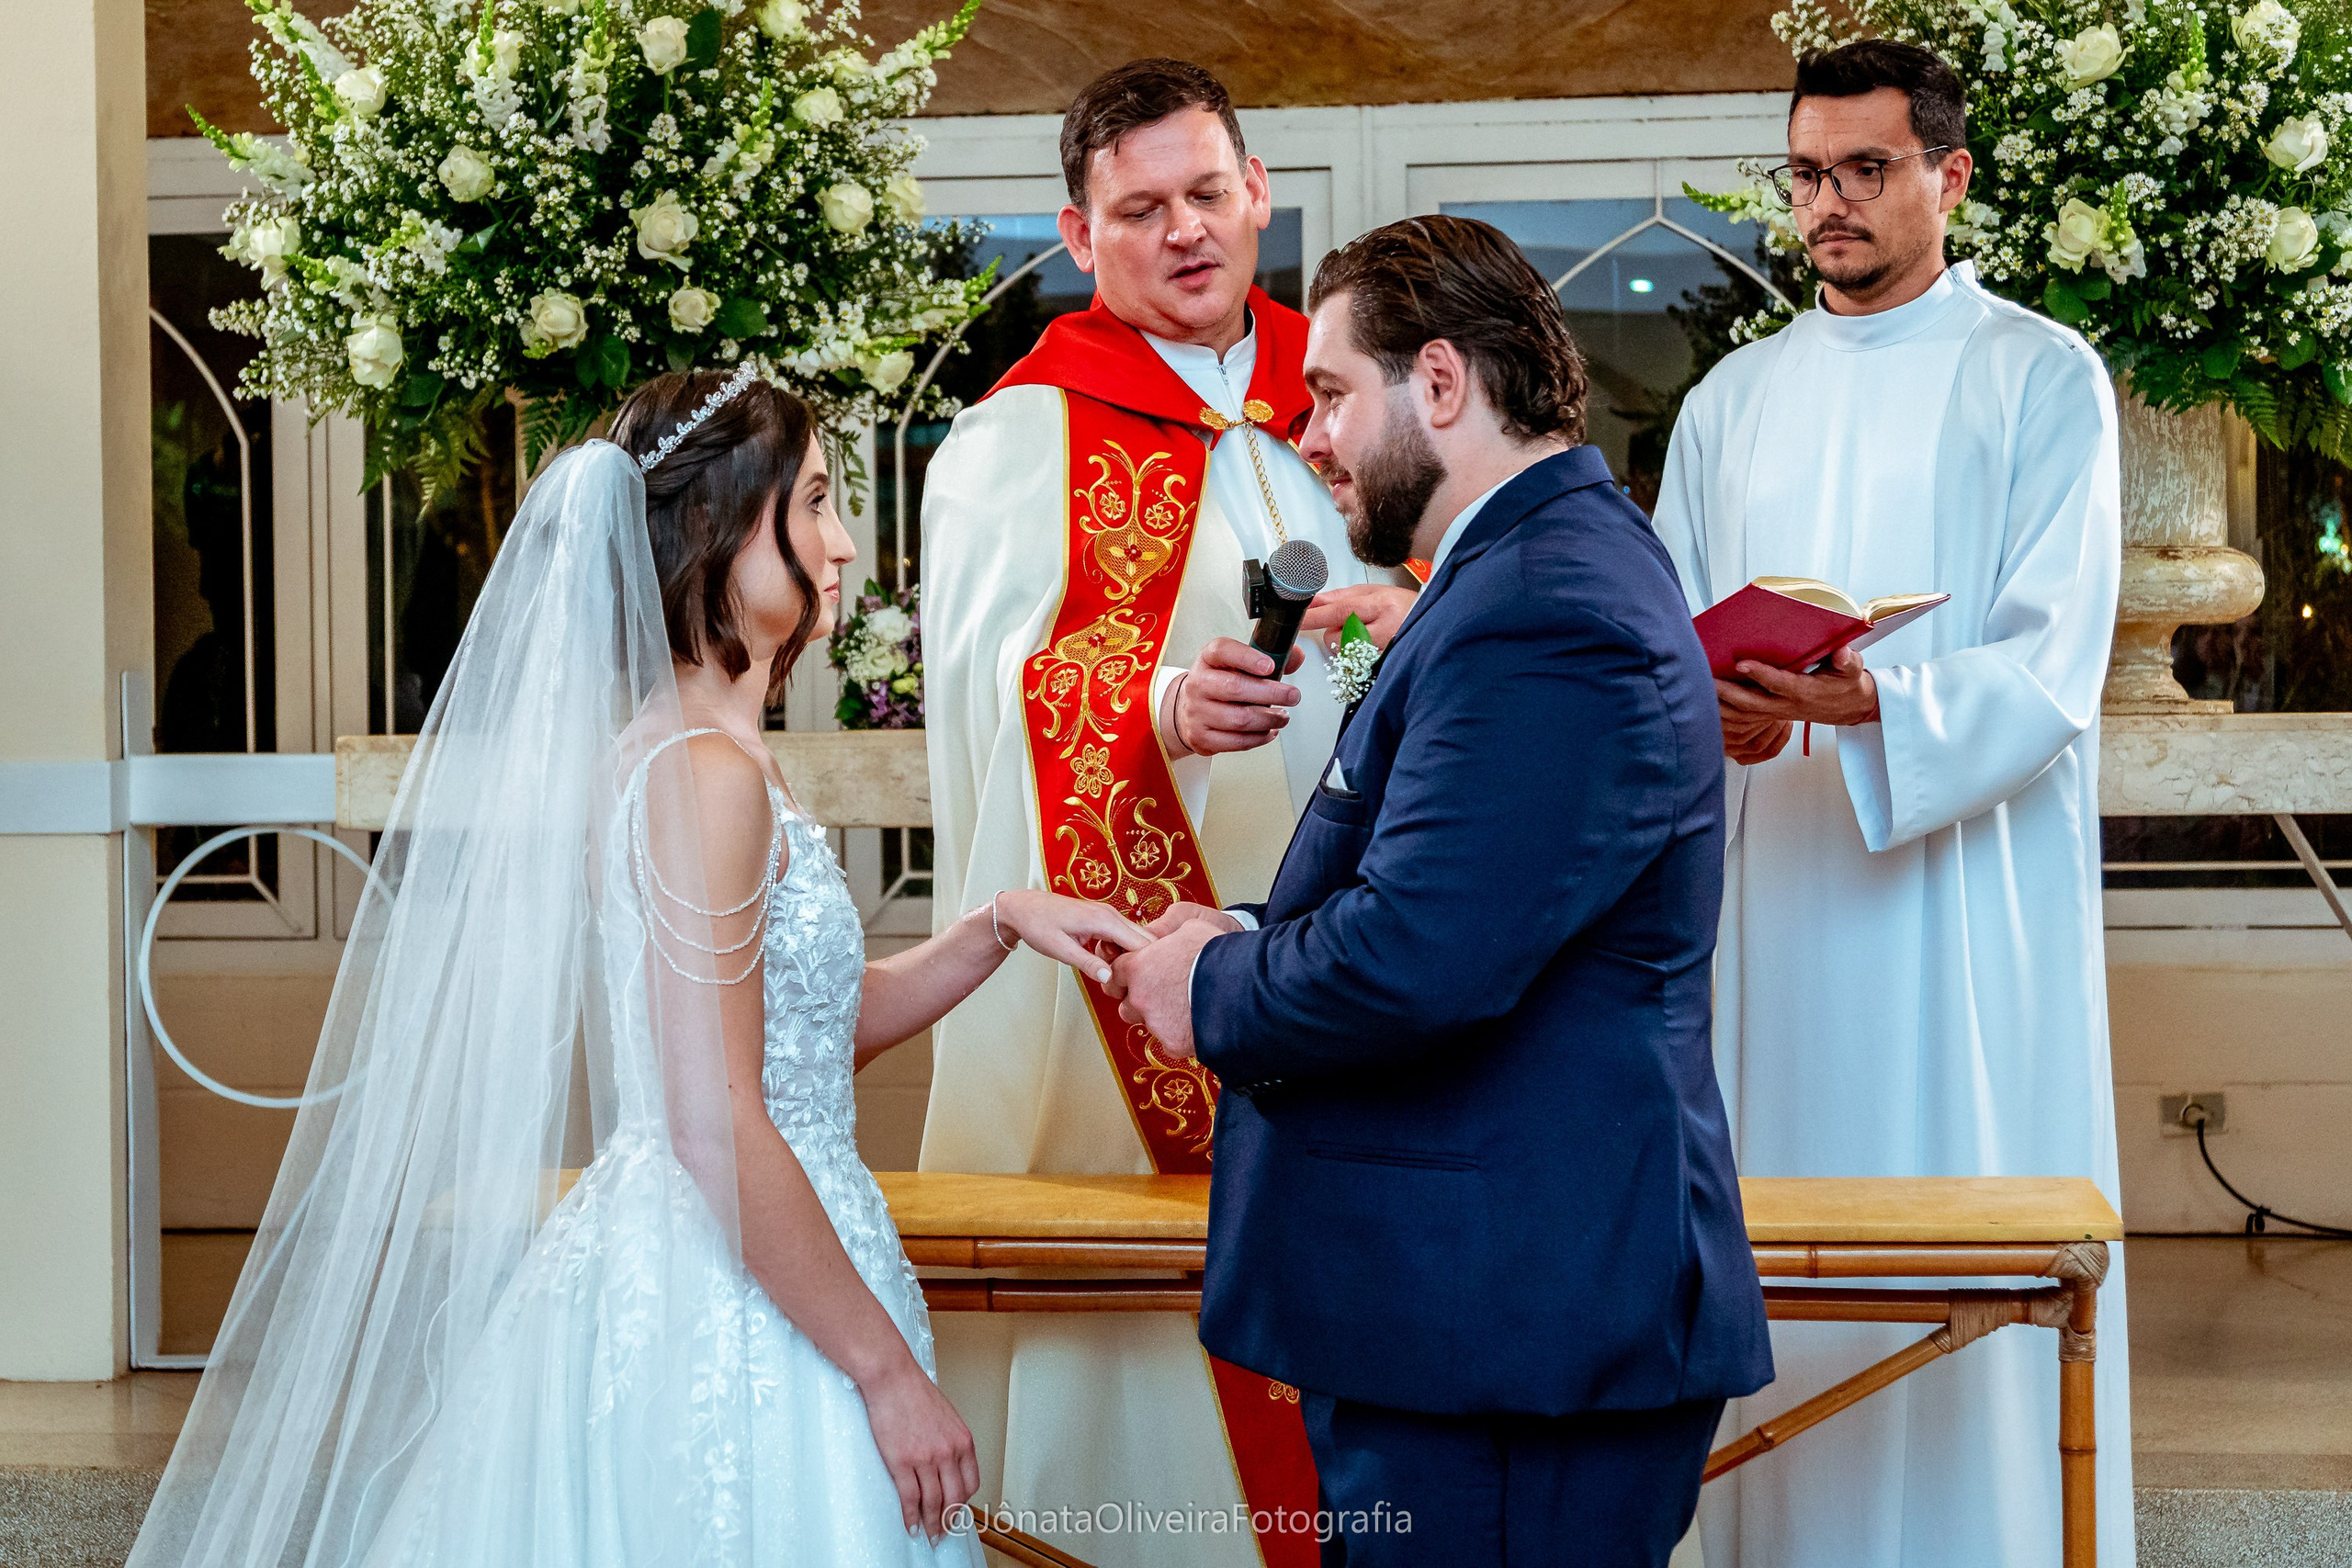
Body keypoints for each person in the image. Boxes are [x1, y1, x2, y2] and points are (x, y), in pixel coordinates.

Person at [126, 370, 1148, 1568]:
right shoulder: (701, 781)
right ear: (716, 531)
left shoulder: (693, 757)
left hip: (760, 1234)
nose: (842, 543)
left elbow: (810, 1034)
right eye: (813, 501)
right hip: (729, 1293)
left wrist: (997, 926)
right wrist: (885, 1375)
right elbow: (716, 1123)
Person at [1106, 215, 1775, 1568]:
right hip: (1477, 1314)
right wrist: (1242, 928)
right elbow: (1465, 890)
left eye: (1334, 393)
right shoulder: (1523, 574)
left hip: (1509, 1329)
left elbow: (1420, 954)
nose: (1312, 434)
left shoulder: (1548, 609)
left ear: (1446, 383)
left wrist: (1210, 982)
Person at [918, 58, 1412, 1564]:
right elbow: (987, 682)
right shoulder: (1020, 436)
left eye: (1210, 193)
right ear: (1079, 235)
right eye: (1141, 210)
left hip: (1377, 938)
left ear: (1260, 191)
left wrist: (1409, 614)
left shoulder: (1358, 388)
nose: (1187, 232)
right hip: (1141, 984)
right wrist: (1157, 711)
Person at [1648, 39, 2132, 1568]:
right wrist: (1716, 707)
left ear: (1949, 176)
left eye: (1866, 170)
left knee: (1964, 1211)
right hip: (1775, 910)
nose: (1830, 204)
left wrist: (1876, 703)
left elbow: (2056, 666)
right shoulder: (1732, 400)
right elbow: (1666, 631)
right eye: (1808, 174)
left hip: (1965, 909)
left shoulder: (2043, 377)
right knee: (1779, 1234)